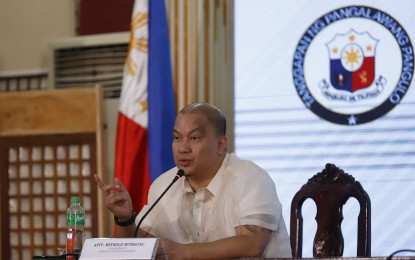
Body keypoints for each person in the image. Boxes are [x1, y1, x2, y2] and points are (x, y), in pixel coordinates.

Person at [95, 102, 292, 259]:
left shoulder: (249, 178)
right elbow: (140, 247)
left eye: (195, 138)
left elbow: (252, 244)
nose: (183, 148)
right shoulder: (165, 185)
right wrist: (125, 218)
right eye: (177, 138)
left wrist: (184, 252)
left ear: (221, 144)